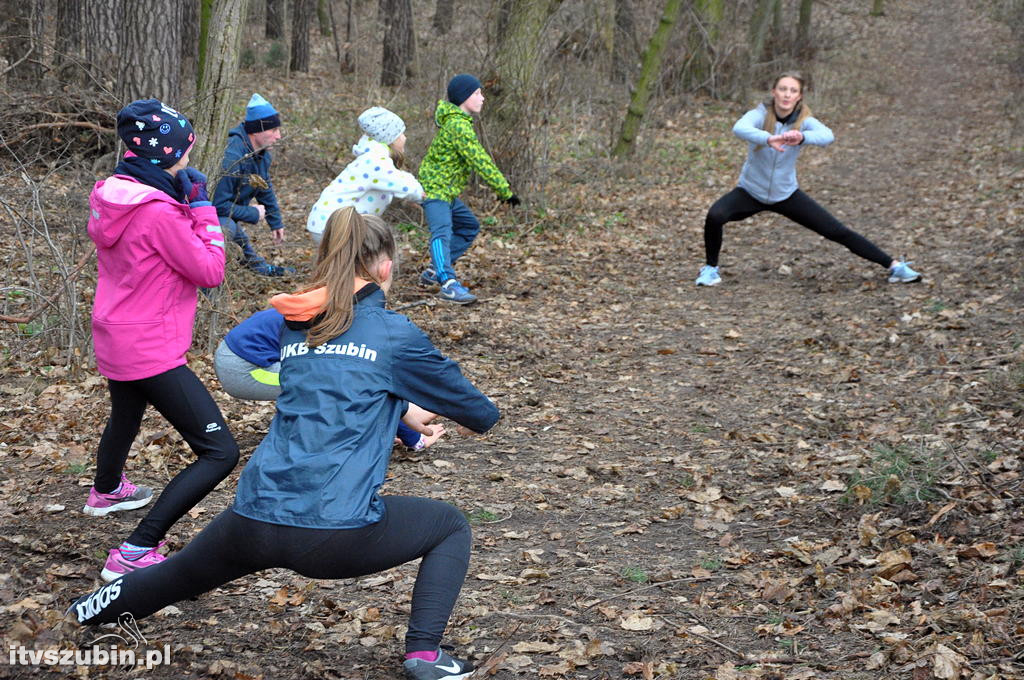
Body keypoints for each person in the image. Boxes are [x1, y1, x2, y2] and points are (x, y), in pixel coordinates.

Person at [72, 206, 500, 680]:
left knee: (173, 578)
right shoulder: (393, 333)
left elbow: (335, 391)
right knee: (450, 526)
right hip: (332, 532)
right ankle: (424, 654)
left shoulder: (296, 325)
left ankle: (79, 614)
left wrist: (398, 406)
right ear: (384, 267)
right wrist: (444, 407)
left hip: (253, 515)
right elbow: (480, 412)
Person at [83, 99, 240, 582]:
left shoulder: (114, 194)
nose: (190, 161)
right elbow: (210, 270)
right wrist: (202, 208)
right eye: (186, 151)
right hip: (149, 346)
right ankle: (136, 549)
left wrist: (184, 206)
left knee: (126, 413)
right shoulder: (158, 212)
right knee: (220, 453)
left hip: (116, 333)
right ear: (166, 155)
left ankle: (106, 490)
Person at [694, 71, 922, 287]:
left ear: (799, 96)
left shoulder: (804, 120)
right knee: (715, 215)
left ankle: (894, 266)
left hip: (786, 194)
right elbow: (739, 128)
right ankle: (710, 269)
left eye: (792, 91)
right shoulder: (760, 114)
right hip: (750, 192)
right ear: (774, 92)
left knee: (837, 231)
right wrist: (768, 138)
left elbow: (827, 136)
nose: (787, 94)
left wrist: (802, 137)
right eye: (782, 89)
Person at [418, 73, 520, 304]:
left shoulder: (459, 123)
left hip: (446, 192)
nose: (482, 98)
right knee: (441, 233)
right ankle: (447, 283)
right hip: (435, 192)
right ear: (465, 98)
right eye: (477, 93)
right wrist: (505, 192)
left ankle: (435, 270)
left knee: (468, 226)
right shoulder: (457, 127)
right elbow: (480, 161)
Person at [306, 106, 424, 244]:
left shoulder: (373, 159)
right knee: (359, 260)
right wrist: (421, 194)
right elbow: (405, 185)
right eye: (401, 133)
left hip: (329, 223)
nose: (405, 137)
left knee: (345, 261)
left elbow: (393, 181)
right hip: (334, 225)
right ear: (390, 138)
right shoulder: (375, 161)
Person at [212, 93, 296, 277]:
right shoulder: (232, 156)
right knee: (227, 228)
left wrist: (275, 222)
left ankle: (262, 269)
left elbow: (265, 188)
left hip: (227, 213)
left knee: (234, 230)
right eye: (273, 130)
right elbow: (217, 206)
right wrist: (252, 213)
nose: (278, 136)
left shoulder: (262, 153)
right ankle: (212, 280)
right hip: (209, 218)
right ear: (256, 130)